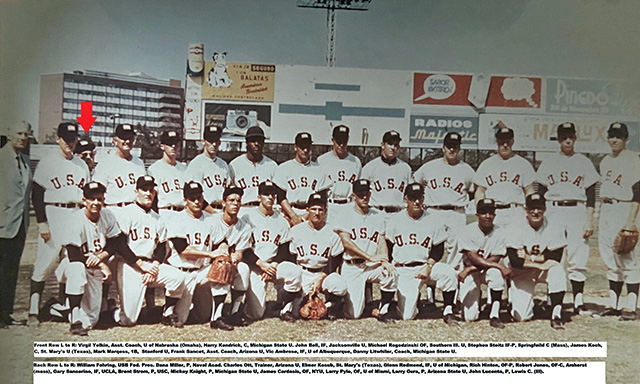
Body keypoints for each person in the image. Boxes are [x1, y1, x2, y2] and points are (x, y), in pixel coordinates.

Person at [29, 122, 90, 326]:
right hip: (54, 212)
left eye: (73, 139)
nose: (70, 143)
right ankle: (33, 309)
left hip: (75, 213)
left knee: (71, 260)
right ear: (58, 139)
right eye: (66, 139)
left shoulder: (81, 164)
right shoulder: (47, 161)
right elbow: (37, 194)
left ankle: (66, 306)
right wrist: (42, 222)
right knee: (45, 261)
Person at [536, 122, 599, 315]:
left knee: (578, 254)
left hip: (577, 210)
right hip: (553, 210)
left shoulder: (583, 161)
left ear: (575, 137)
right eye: (564, 136)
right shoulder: (549, 161)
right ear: (559, 139)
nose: (567, 140)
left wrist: (590, 219)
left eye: (570, 136)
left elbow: (591, 193)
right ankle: (551, 298)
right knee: (553, 254)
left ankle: (578, 301)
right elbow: (540, 189)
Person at [111, 176, 187, 326]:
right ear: (136, 191)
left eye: (151, 190)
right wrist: (141, 265)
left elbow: (161, 247)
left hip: (150, 265)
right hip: (129, 265)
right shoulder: (126, 212)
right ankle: (111, 309)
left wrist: (155, 266)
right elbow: (120, 245)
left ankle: (168, 312)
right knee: (128, 320)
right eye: (144, 189)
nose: (148, 193)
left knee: (177, 277)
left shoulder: (157, 218)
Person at [386, 183, 458, 323]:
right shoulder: (394, 220)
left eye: (419, 197)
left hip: (426, 266)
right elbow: (388, 247)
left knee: (449, 272)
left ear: (423, 198)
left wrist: (429, 265)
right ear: (405, 199)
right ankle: (410, 302)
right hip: (404, 269)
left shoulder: (433, 219)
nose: (417, 201)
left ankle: (448, 309)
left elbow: (438, 249)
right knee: (407, 316)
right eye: (413, 198)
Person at [55, 182, 118, 336]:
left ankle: (57, 308)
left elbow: (117, 241)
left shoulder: (107, 215)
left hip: (94, 265)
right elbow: (73, 253)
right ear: (84, 201)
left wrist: (102, 257)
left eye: (99, 199)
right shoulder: (75, 219)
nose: (96, 203)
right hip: (70, 266)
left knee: (91, 321)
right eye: (91, 199)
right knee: (77, 268)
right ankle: (75, 318)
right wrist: (103, 265)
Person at [164, 182, 230, 328]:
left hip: (201, 272)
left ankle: (217, 317)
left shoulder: (211, 219)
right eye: (191, 198)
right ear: (185, 200)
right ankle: (168, 310)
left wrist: (223, 250)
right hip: (181, 273)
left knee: (225, 264)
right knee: (181, 319)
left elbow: (222, 241)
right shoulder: (176, 219)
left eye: (198, 197)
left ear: (203, 197)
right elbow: (183, 250)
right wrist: (211, 253)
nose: (196, 201)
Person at [333, 179, 397, 322]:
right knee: (354, 315)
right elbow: (346, 242)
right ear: (353, 196)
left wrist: (385, 260)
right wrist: (369, 257)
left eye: (367, 193)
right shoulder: (345, 213)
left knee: (391, 272)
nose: (364, 197)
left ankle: (383, 309)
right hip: (352, 266)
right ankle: (355, 304)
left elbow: (381, 240)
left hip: (371, 267)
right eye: (360, 194)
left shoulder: (378, 215)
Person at [595, 122, 640, 321]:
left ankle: (630, 306)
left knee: (629, 258)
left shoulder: (634, 159)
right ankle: (613, 304)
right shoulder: (605, 161)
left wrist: (631, 220)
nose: (614, 140)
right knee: (610, 259)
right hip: (607, 209)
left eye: (619, 136)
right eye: (612, 136)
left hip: (624, 207)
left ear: (626, 140)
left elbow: (638, 192)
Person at [506, 193, 567, 330]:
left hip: (540, 268)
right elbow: (515, 261)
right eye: (532, 208)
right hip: (522, 271)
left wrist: (529, 257)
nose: (535, 211)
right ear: (525, 209)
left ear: (545, 209)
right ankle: (519, 301)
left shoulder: (554, 226)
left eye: (539, 208)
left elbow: (556, 256)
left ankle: (556, 313)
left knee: (557, 270)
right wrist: (540, 262)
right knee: (521, 317)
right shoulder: (515, 226)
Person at [286, 193, 347, 319]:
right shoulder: (296, 231)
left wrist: (322, 277)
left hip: (322, 273)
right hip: (302, 272)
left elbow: (335, 261)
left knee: (340, 285)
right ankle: (291, 303)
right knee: (297, 314)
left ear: (325, 210)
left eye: (320, 209)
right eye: (313, 209)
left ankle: (329, 306)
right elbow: (291, 258)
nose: (317, 213)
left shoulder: (332, 232)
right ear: (307, 210)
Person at [241, 181, 296, 321]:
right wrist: (261, 265)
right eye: (266, 194)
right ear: (259, 197)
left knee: (294, 272)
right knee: (257, 314)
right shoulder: (247, 217)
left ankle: (284, 308)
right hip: (255, 266)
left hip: (273, 266)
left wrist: (274, 264)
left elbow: (284, 249)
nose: (270, 197)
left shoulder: (281, 220)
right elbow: (244, 248)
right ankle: (248, 303)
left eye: (273, 194)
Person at [456, 199, 512, 328]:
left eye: (490, 213)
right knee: (470, 317)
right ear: (477, 215)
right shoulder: (467, 231)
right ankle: (478, 298)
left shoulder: (500, 231)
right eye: (483, 213)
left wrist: (470, 269)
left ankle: (494, 314)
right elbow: (473, 258)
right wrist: (499, 266)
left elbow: (495, 258)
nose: (487, 216)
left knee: (496, 274)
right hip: (470, 272)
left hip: (482, 270)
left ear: (495, 215)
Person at [206, 186, 253, 329]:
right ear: (223, 203)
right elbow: (215, 247)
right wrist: (225, 255)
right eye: (231, 200)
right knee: (223, 264)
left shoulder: (244, 227)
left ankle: (234, 312)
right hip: (207, 265)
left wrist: (235, 258)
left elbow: (239, 252)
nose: (235, 204)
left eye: (238, 201)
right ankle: (216, 317)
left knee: (243, 268)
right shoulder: (212, 221)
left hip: (228, 261)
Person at [0, 120, 31, 327]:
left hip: (19, 224)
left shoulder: (25, 160)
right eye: (19, 133)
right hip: (2, 223)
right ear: (9, 134)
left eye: (26, 134)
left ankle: (5, 313)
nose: (23, 137)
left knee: (11, 270)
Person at [474, 125, 535, 227]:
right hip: (494, 212)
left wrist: (529, 212)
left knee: (516, 242)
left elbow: (529, 191)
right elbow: (480, 192)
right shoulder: (486, 164)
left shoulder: (523, 164)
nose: (505, 145)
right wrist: (481, 213)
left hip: (516, 212)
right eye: (502, 141)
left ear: (512, 141)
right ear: (497, 141)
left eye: (508, 141)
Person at [274, 132, 331, 225]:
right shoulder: (284, 168)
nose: (305, 150)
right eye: (302, 147)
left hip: (311, 214)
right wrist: (293, 216)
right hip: (290, 213)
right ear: (295, 147)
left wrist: (305, 216)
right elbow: (281, 197)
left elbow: (322, 198)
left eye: (307, 147)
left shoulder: (319, 169)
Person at [92, 124, 146, 212]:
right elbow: (97, 193)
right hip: (115, 209)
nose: (127, 141)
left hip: (136, 210)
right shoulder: (105, 163)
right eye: (124, 138)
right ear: (115, 140)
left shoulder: (139, 163)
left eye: (130, 138)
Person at [360, 130, 413, 217]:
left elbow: (410, 195)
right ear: (382, 145)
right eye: (390, 144)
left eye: (395, 145)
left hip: (398, 214)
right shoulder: (370, 167)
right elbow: (361, 194)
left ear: (398, 147)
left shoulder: (405, 168)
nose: (393, 147)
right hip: (376, 213)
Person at [317, 125, 362, 222]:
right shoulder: (322, 161)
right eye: (338, 141)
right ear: (333, 140)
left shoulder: (355, 161)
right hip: (330, 206)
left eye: (344, 141)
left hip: (349, 205)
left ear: (348, 140)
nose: (341, 144)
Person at [229, 126, 278, 213]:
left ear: (263, 143)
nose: (256, 143)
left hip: (265, 210)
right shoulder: (234, 165)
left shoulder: (272, 165)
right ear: (246, 143)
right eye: (253, 140)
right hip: (244, 209)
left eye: (259, 141)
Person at [186, 125, 231, 213]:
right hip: (204, 212)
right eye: (210, 141)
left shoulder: (223, 164)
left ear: (219, 142)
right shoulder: (196, 164)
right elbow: (194, 194)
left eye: (216, 141)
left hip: (222, 211)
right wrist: (212, 212)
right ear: (203, 141)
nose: (213, 144)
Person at [148, 130, 187, 222]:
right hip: (165, 213)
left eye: (176, 143)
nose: (173, 146)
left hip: (184, 213)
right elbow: (152, 198)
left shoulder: (184, 168)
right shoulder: (154, 169)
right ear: (162, 146)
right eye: (170, 144)